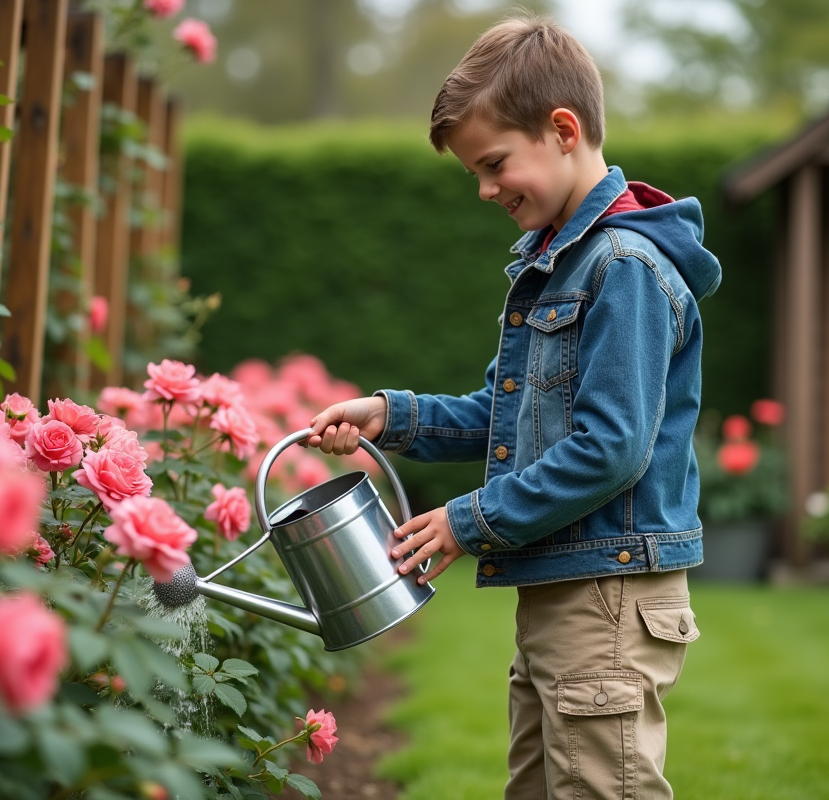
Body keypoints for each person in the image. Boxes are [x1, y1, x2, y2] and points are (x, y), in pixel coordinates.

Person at [303, 14, 721, 800]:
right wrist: (392, 418)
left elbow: (612, 448)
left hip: (608, 594)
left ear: (563, 130)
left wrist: (468, 521)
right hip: (569, 587)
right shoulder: (557, 263)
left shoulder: (622, 267)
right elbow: (508, 416)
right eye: (475, 174)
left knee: (603, 789)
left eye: (495, 164)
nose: (488, 189)